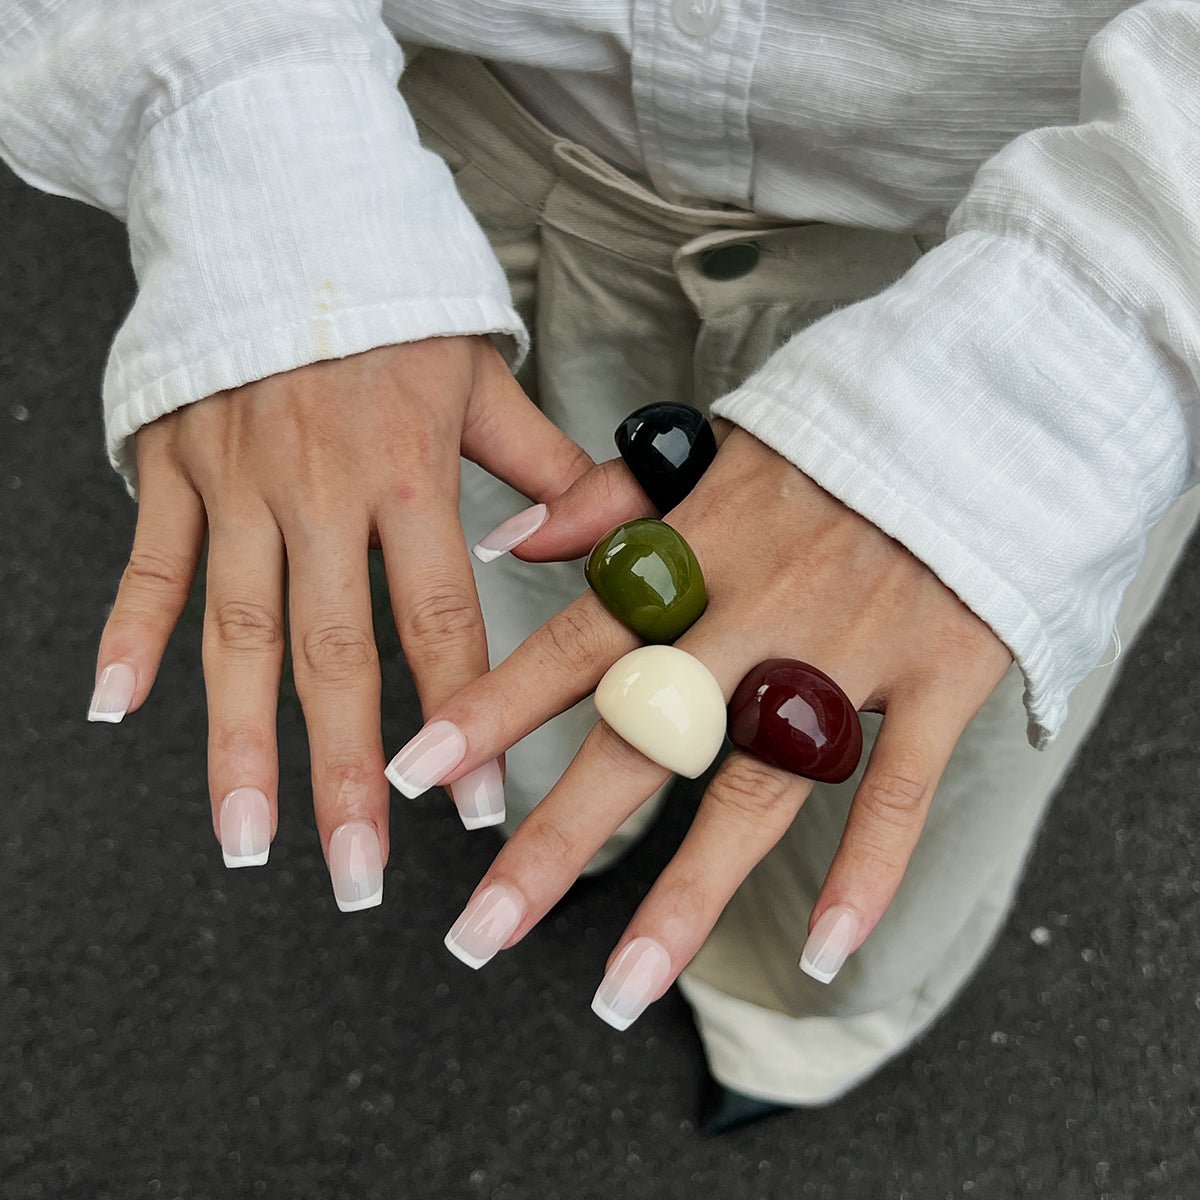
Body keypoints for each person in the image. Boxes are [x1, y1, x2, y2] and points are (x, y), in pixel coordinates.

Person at [3, 1, 1198, 1126]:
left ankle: (798, 1004)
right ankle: (547, 809)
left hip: (1020, 232)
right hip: (464, 154)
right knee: (515, 595)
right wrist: (243, 134)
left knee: (902, 808)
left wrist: (1084, 348)